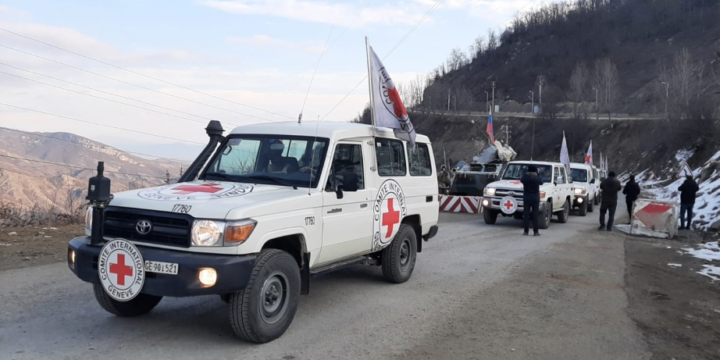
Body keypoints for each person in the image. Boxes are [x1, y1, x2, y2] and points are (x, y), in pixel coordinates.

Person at [521, 165, 544, 236]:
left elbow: (521, 180)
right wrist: (539, 174)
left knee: (526, 215)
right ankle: (536, 231)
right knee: (535, 215)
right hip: (535, 198)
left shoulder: (526, 178)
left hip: (527, 198)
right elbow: (541, 182)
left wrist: (525, 172)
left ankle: (526, 231)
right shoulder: (536, 178)